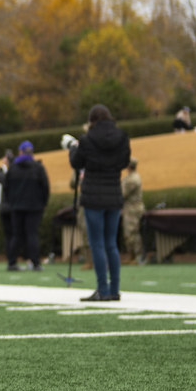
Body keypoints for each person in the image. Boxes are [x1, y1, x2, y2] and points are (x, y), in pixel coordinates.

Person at [68, 104, 131, 302]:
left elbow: (76, 163)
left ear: (92, 120)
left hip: (93, 196)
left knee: (97, 244)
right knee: (111, 243)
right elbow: (124, 162)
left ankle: (102, 290)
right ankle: (114, 289)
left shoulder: (87, 139)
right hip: (114, 193)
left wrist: (72, 148)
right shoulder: (122, 137)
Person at [3, 141, 49, 272]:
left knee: (16, 235)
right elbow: (45, 187)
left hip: (16, 207)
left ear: (20, 152)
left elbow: (6, 188)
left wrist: (11, 203)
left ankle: (12, 262)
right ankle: (35, 263)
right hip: (35, 207)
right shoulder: (38, 167)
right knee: (32, 234)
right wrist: (43, 203)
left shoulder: (13, 168)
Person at [120, 160, 146, 264]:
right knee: (128, 233)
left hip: (133, 209)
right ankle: (132, 256)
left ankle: (138, 257)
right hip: (128, 209)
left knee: (132, 232)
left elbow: (122, 194)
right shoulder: (129, 177)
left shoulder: (133, 179)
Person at [0, 150, 14, 268]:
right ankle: (11, 260)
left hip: (9, 207)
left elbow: (1, 178)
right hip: (6, 208)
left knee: (13, 235)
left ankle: (13, 259)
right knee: (9, 235)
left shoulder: (11, 172)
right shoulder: (4, 171)